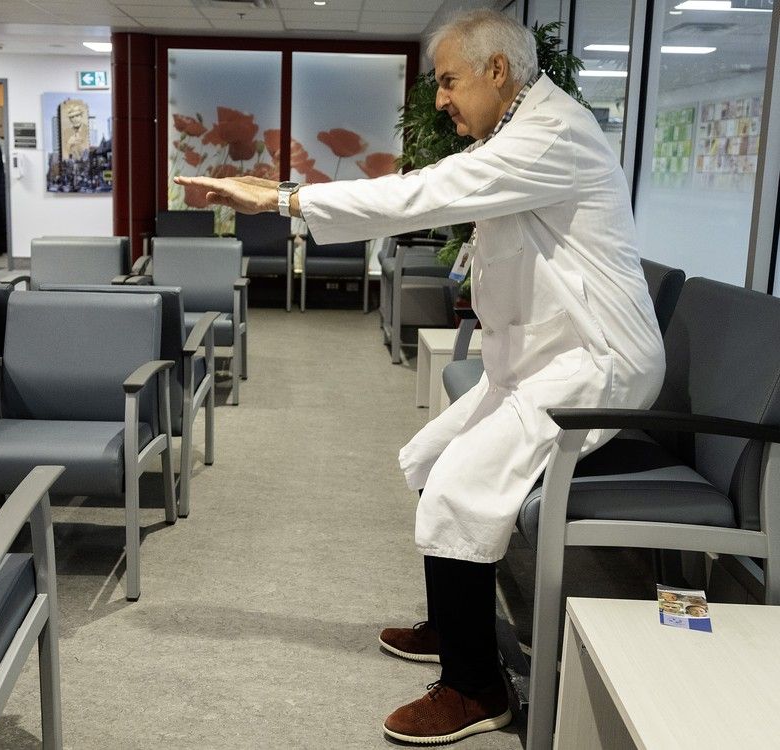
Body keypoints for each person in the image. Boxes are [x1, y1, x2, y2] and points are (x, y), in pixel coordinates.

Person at [176, 9, 665, 745]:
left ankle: (478, 689)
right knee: (431, 460)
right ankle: (453, 623)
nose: (439, 99)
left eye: (447, 81)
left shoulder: (552, 134)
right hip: (540, 360)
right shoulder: (521, 128)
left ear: (498, 71)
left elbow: (427, 193)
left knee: (461, 485)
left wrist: (282, 199)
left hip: (596, 364)